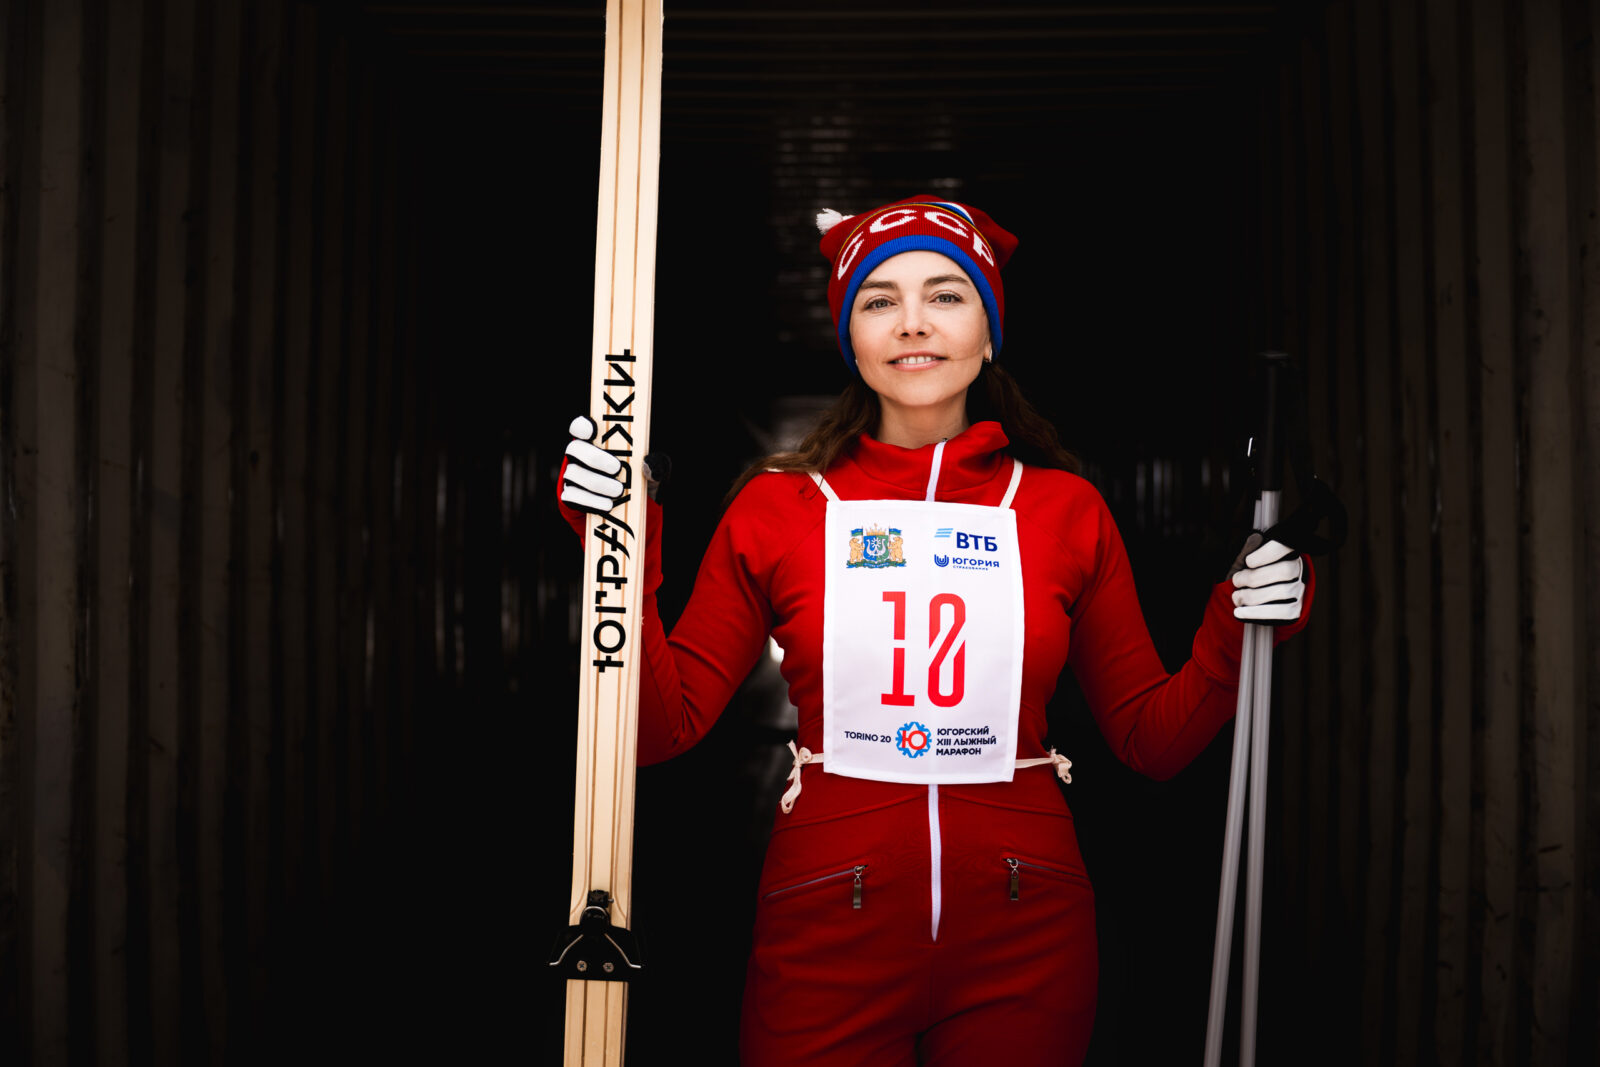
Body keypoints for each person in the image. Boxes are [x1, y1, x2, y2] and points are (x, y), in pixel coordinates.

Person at [558, 196, 1312, 1066]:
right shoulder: (778, 508)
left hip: (1027, 928)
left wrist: (1239, 626)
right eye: (880, 300)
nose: (913, 322)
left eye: (946, 295)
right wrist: (619, 548)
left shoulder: (1065, 509)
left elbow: (1153, 739)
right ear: (851, 337)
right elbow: (660, 729)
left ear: (990, 333)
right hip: (825, 924)